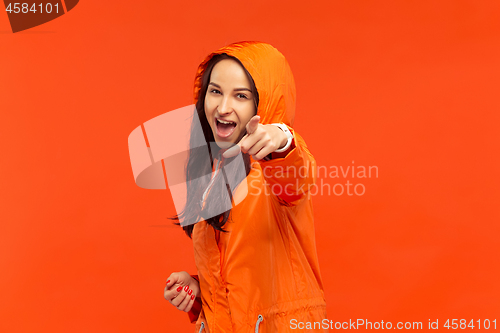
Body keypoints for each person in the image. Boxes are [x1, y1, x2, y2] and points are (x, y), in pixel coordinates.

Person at [163, 41, 328, 332]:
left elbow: (295, 175)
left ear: (262, 103)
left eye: (241, 96)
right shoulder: (214, 182)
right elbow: (242, 289)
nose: (223, 107)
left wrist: (281, 138)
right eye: (215, 91)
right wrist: (202, 292)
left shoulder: (275, 173)